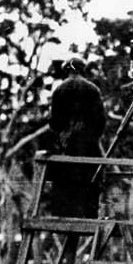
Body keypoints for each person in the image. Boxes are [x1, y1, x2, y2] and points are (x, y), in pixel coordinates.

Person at [48, 56, 106, 218]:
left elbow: (54, 122)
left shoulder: (59, 90)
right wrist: (92, 136)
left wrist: (64, 135)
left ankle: (67, 214)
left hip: (68, 145)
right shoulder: (92, 89)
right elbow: (100, 120)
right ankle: (90, 213)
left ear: (66, 70)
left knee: (67, 180)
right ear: (83, 69)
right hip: (89, 143)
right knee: (92, 177)